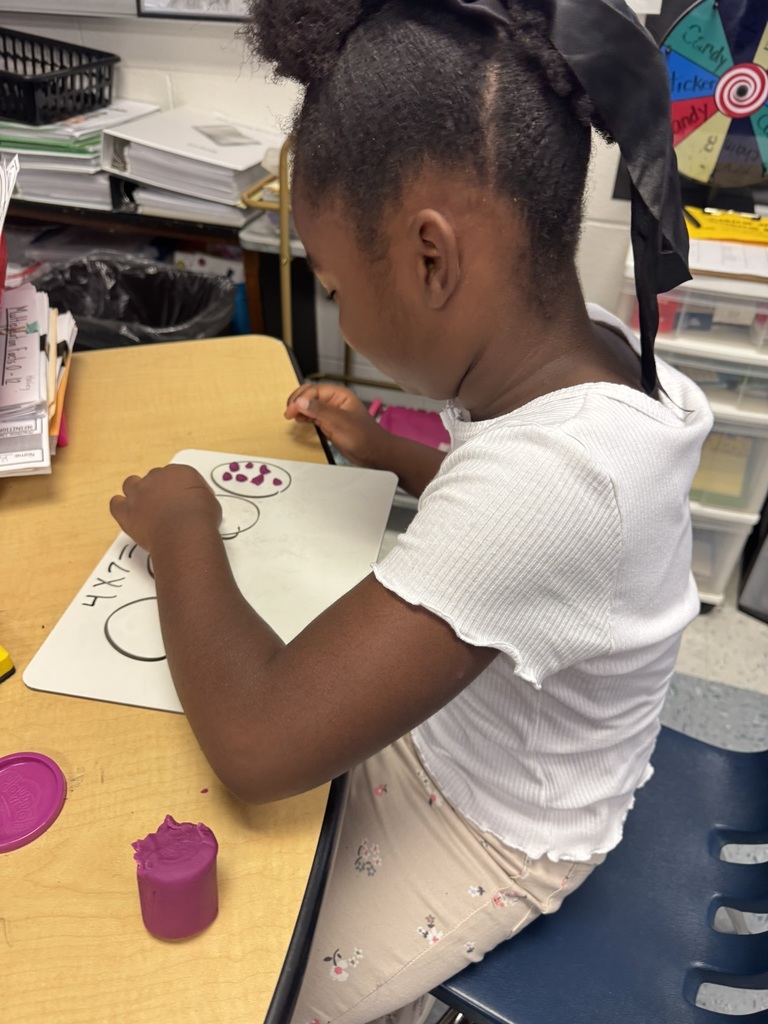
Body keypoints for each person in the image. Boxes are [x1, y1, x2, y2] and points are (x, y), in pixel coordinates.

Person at [110, 2, 713, 1022]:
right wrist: (393, 451)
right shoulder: (591, 351)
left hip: (499, 827)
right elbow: (524, 534)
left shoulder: (553, 484)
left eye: (338, 286)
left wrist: (182, 527)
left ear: (432, 257)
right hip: (490, 726)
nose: (337, 309)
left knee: (251, 980)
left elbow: (259, 746)